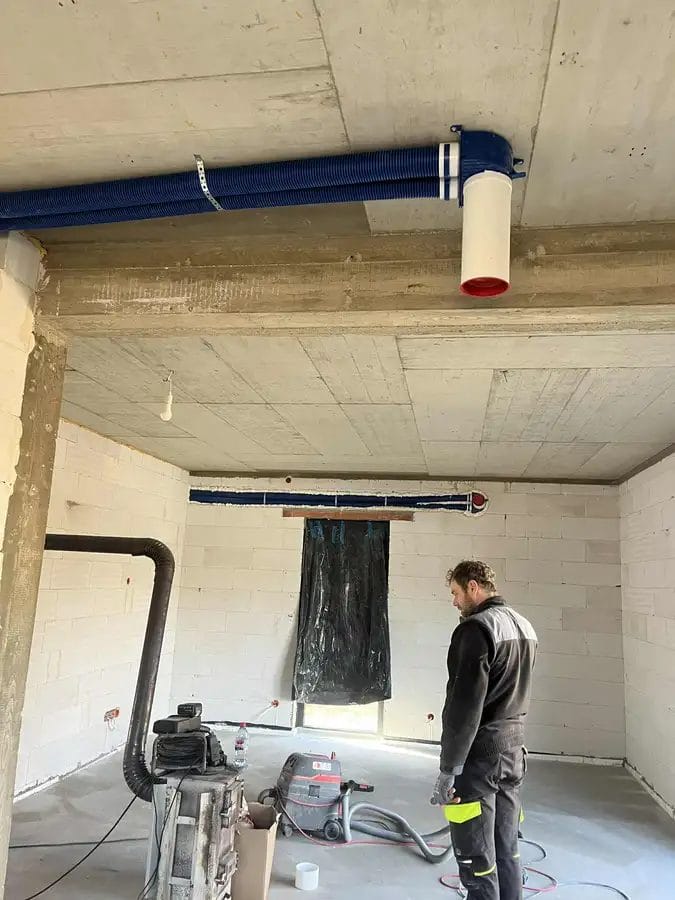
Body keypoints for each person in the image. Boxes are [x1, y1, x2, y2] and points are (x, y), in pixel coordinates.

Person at [431, 560, 537, 900]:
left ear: (473, 587)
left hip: (480, 759)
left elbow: (464, 706)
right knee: (507, 850)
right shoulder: (523, 626)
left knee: (476, 858)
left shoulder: (476, 629)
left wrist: (449, 768)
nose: (454, 601)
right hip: (514, 754)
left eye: (456, 593)